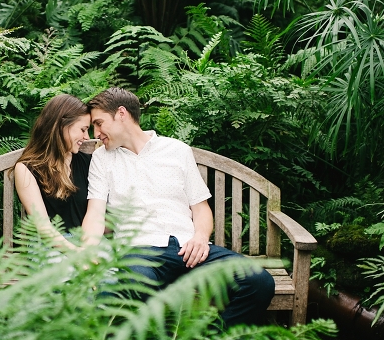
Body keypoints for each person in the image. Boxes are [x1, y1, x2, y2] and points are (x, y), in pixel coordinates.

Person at [81, 87, 275, 326]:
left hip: (189, 249)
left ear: (121, 113)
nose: (96, 133)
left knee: (259, 281)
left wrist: (201, 238)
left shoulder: (176, 150)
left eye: (99, 124)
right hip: (138, 252)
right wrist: (89, 250)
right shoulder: (102, 159)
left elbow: (201, 207)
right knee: (136, 290)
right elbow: (95, 214)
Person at [12, 93, 92, 250]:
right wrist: (76, 254)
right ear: (62, 126)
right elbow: (43, 228)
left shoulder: (88, 162)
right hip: (48, 246)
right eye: (83, 129)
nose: (86, 137)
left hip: (85, 243)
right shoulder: (27, 169)